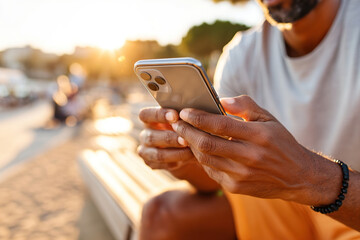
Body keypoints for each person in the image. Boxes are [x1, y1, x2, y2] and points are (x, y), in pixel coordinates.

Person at [137, 0, 360, 239]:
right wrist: (188, 157)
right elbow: (217, 185)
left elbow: (302, 179)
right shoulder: (242, 53)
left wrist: (309, 177)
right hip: (288, 205)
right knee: (160, 214)